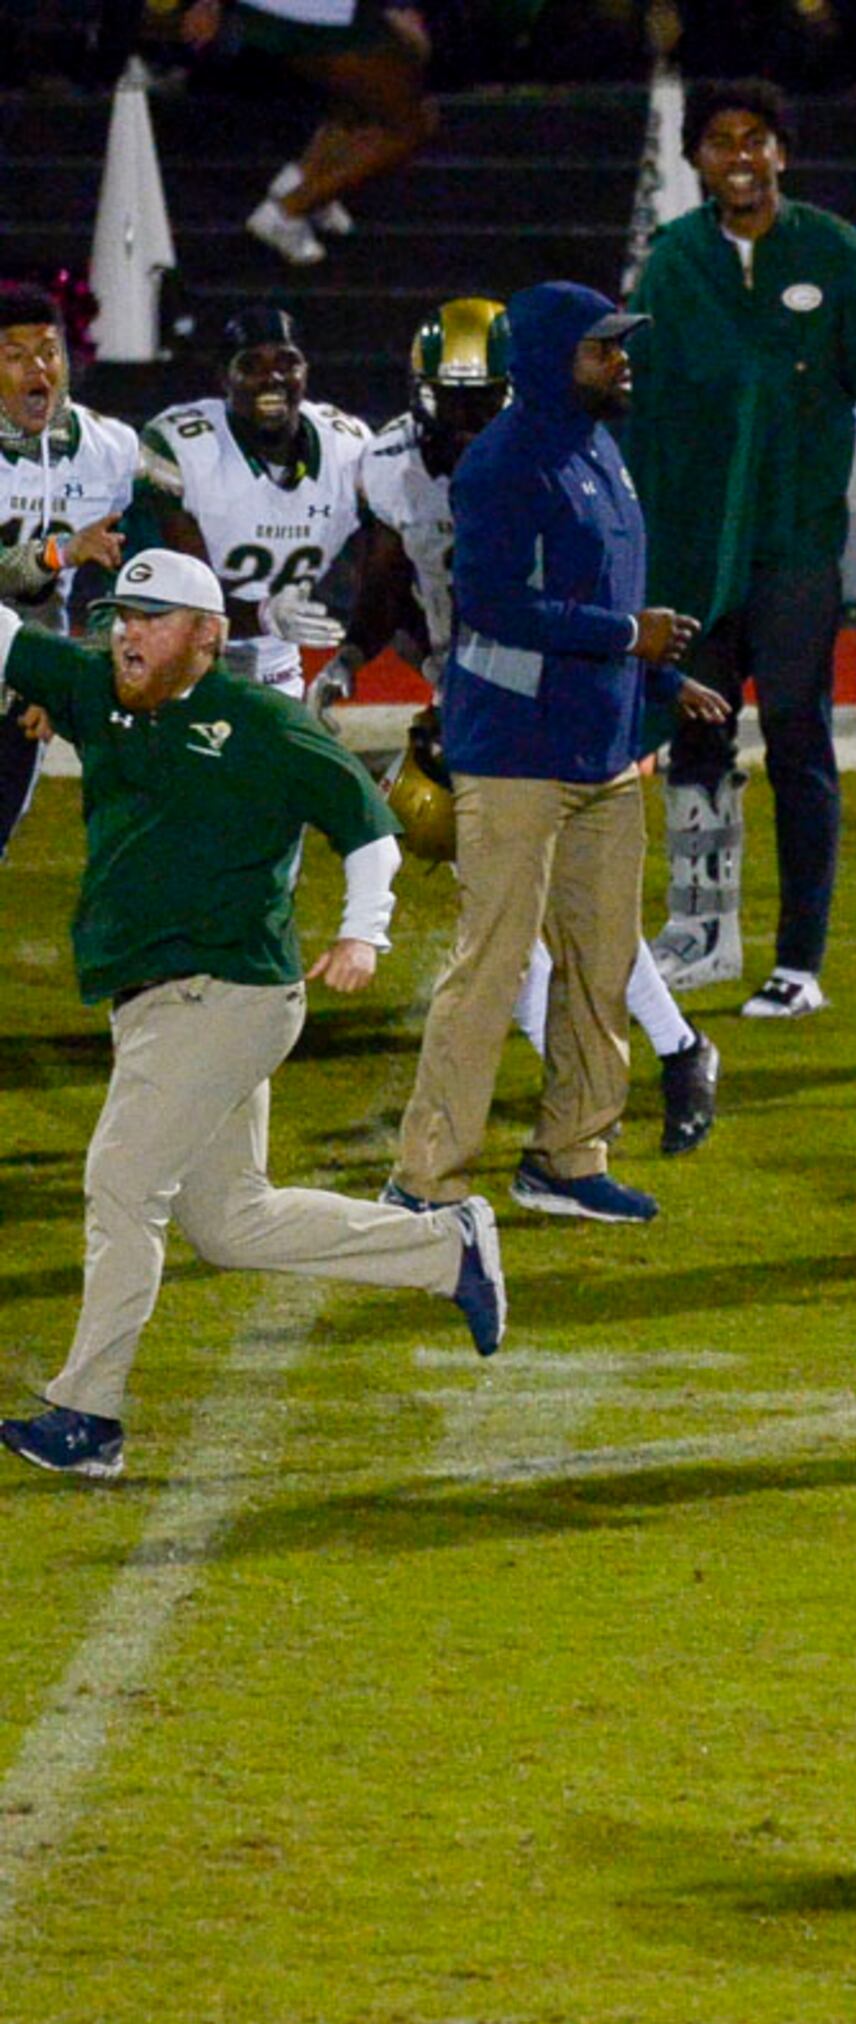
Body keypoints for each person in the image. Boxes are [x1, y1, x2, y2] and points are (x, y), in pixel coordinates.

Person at [0, 550, 501, 1481]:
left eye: (149, 619)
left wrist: (363, 937)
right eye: (119, 616)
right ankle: (443, 1247)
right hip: (155, 1001)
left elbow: (370, 827)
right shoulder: (90, 686)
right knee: (231, 1221)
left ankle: (88, 1415)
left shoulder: (264, 725)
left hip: (223, 995)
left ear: (207, 635)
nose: (126, 634)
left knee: (120, 1185)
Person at [337, 299, 724, 1162]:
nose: (473, 418)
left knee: (547, 917)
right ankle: (641, 1068)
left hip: (541, 692)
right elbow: (393, 581)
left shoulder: (551, 454)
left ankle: (655, 1061)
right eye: (458, 400)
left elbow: (586, 595)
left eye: (489, 398)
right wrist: (367, 661)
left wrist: (649, 668)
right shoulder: (395, 466)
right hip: (478, 686)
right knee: (516, 921)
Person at [630, 78, 856, 1020]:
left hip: (797, 543)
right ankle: (702, 933)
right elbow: (640, 411)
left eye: (756, 137)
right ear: (696, 161)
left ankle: (800, 960)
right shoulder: (672, 262)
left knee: (800, 736)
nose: (739, 156)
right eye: (719, 140)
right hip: (690, 549)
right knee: (696, 737)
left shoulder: (839, 255)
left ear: (783, 152)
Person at [131, 305, 370, 697]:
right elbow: (179, 597)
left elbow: (382, 575)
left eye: (287, 362)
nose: (272, 378)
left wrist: (356, 652)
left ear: (306, 371)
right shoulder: (181, 445)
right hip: (180, 667)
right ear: (223, 377)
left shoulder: (348, 445)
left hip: (280, 676)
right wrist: (264, 615)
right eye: (252, 364)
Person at [0, 279, 135, 858]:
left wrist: (65, 677)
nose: (38, 369)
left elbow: (128, 578)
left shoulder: (109, 449)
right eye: (14, 356)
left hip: (23, 671)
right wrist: (58, 552)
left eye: (48, 352)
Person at [183, 0, 438, 267]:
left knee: (366, 86)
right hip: (319, 15)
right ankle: (287, 212)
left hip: (283, 13)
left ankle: (304, 182)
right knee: (413, 125)